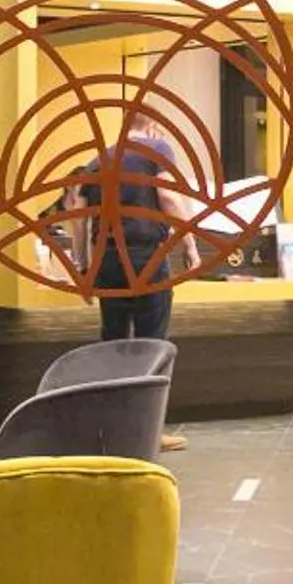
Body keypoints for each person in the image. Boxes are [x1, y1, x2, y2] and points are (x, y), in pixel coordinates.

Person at [61, 119, 193, 448]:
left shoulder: (101, 158)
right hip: (145, 255)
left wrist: (83, 266)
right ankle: (147, 433)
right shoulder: (157, 149)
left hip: (107, 259)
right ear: (151, 128)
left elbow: (79, 214)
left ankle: (111, 430)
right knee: (153, 346)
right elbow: (170, 198)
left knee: (113, 345)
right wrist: (189, 243)